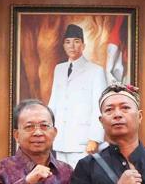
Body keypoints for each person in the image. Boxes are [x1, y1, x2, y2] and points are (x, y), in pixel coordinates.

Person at [46, 24, 108, 166]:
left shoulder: (95, 71)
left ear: (83, 45)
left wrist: (95, 138)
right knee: (62, 177)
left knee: (81, 178)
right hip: (61, 139)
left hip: (83, 141)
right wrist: (47, 131)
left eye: (76, 41)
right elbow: (53, 103)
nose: (72, 46)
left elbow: (99, 107)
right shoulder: (59, 69)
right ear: (64, 46)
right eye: (68, 42)